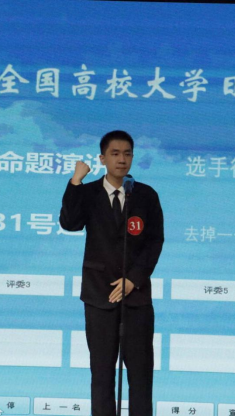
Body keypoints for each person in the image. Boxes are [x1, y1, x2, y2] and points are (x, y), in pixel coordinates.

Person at [60, 130, 164, 416]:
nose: (122, 159)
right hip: (99, 296)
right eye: (115, 154)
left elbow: (155, 241)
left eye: (127, 154)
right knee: (102, 373)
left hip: (136, 298)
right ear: (102, 158)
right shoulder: (88, 193)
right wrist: (75, 182)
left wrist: (133, 279)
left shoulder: (145, 195)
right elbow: (70, 223)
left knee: (141, 374)